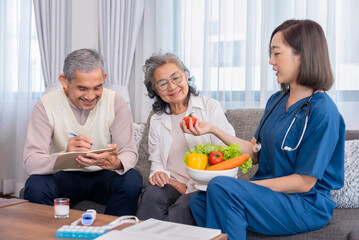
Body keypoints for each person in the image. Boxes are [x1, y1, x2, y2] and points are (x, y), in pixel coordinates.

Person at [181, 19, 345, 239]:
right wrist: (212, 129)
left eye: (277, 53)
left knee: (221, 188)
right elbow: (253, 153)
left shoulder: (323, 111)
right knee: (200, 200)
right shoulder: (276, 101)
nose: (270, 61)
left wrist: (245, 188)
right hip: (272, 197)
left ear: (303, 55)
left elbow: (304, 182)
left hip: (305, 203)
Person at [23, 48, 143, 216]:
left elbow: (129, 152)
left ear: (104, 79)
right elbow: (31, 162)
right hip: (65, 177)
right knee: (35, 185)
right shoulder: (45, 106)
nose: (90, 96)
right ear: (64, 81)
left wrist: (116, 163)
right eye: (82, 88)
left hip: (104, 176)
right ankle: (47, 233)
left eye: (97, 87)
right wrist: (65, 156)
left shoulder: (116, 102)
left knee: (132, 179)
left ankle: (114, 232)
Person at [136, 52, 235, 225]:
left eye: (176, 78)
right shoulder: (157, 119)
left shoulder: (209, 107)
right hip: (172, 184)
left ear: (186, 76)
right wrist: (159, 174)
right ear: (155, 90)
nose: (172, 87)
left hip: (204, 186)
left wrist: (187, 188)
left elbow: (227, 154)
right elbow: (156, 163)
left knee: (183, 206)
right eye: (163, 83)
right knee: (151, 195)